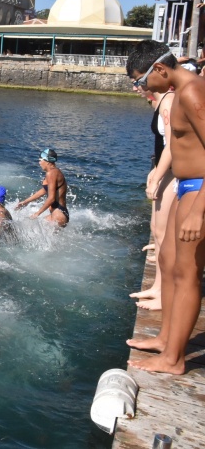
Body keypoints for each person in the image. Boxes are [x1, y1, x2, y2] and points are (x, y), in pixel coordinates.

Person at [125, 40, 205, 375]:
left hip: (199, 189)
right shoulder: (183, 90)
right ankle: (166, 339)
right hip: (187, 186)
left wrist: (199, 210)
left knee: (187, 274)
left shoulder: (190, 93)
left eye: (141, 81)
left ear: (159, 69)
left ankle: (173, 360)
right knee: (170, 263)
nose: (141, 88)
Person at [130, 83, 175, 310]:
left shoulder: (168, 101)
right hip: (165, 170)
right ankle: (158, 286)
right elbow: (161, 145)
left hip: (174, 173)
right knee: (157, 231)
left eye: (138, 81)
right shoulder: (161, 102)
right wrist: (155, 169)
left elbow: (171, 145)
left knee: (166, 235)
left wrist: (158, 176)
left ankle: (165, 292)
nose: (135, 86)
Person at [15, 149, 69, 227]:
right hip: (59, 213)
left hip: (58, 214)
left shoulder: (51, 173)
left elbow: (51, 198)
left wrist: (37, 213)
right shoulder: (54, 172)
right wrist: (25, 202)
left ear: (47, 161)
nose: (39, 163)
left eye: (40, 160)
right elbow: (44, 190)